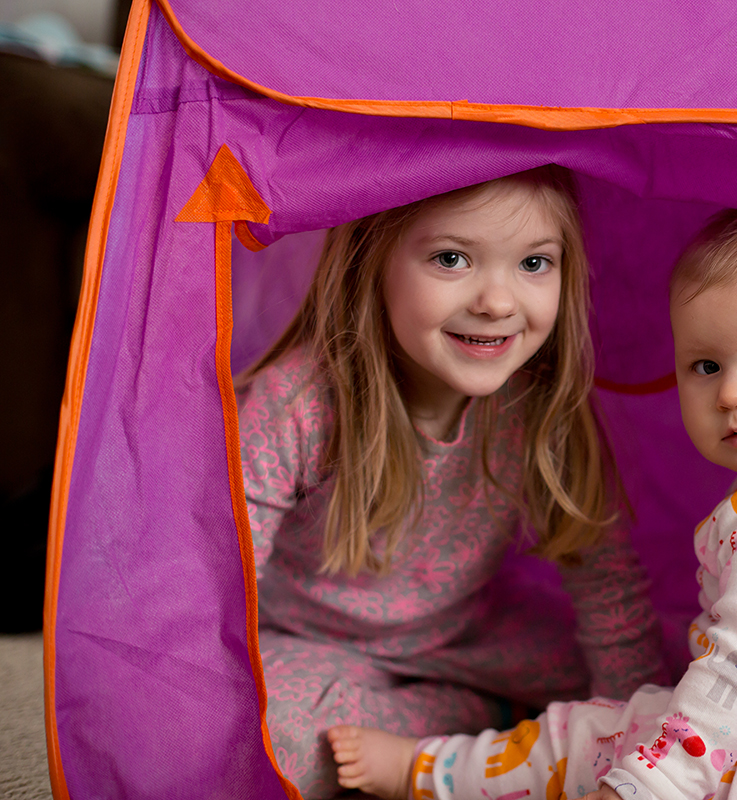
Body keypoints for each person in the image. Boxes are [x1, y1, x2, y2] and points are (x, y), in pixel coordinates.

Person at [327, 210, 737, 800]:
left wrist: (641, 787)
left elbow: (734, 680)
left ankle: (424, 770)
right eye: (706, 366)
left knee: (585, 732)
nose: (733, 394)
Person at [237, 166, 668, 798]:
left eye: (534, 264)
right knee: (277, 743)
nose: (497, 302)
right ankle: (468, 733)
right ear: (371, 261)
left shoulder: (539, 407)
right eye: (450, 258)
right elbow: (222, 574)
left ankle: (454, 727)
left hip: (470, 638)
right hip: (310, 642)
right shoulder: (300, 399)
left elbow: (607, 587)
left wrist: (632, 739)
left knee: (647, 686)